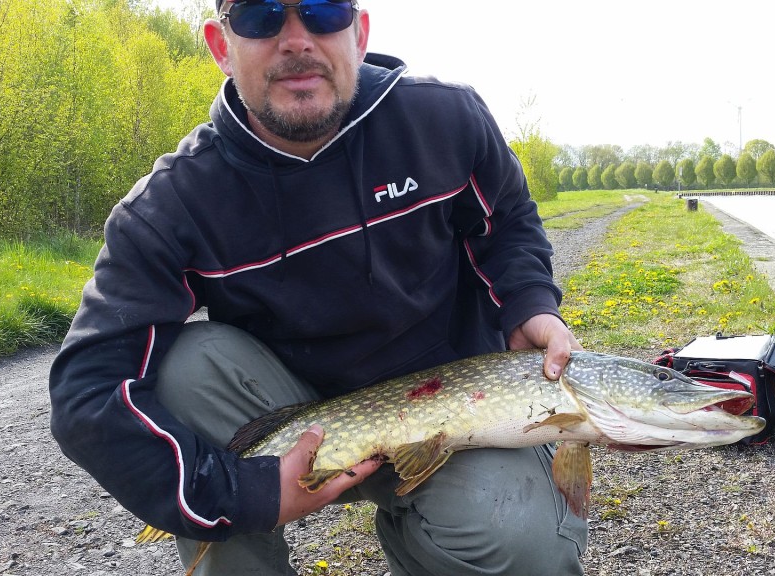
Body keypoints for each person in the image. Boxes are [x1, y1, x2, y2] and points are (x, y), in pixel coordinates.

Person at [49, 0, 587, 574]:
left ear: (359, 32)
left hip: (451, 417)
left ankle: (421, 531)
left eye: (323, 10)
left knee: (525, 545)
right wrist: (237, 492)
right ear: (219, 46)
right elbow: (87, 389)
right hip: (292, 419)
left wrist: (529, 302)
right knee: (186, 364)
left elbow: (506, 223)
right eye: (261, 16)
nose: (296, 39)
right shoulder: (171, 204)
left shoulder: (444, 119)